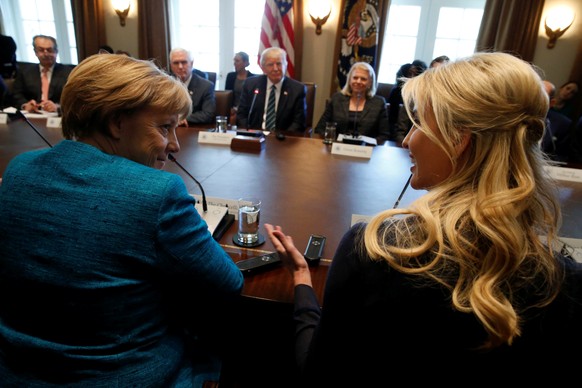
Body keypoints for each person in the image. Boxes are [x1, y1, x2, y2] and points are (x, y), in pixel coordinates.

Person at [265, 52, 582, 386]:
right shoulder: (569, 284)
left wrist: (302, 280)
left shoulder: (373, 252)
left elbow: (317, 374)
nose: (406, 139)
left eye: (418, 125)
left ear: (458, 140)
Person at [0, 54, 244, 386]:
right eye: (163, 127)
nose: (174, 145)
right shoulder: (158, 194)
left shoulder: (17, 170)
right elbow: (227, 282)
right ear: (116, 122)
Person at [314, 62, 389, 144]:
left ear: (370, 83)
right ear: (349, 80)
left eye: (363, 79)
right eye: (355, 77)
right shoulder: (337, 99)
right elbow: (320, 128)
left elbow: (384, 135)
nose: (358, 81)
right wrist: (333, 142)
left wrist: (368, 145)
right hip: (337, 148)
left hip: (366, 151)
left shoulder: (379, 103)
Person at [236, 47, 306, 133]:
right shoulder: (250, 84)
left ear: (286, 65)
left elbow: (298, 123)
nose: (275, 68)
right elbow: (241, 116)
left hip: (283, 139)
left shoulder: (297, 89)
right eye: (270, 65)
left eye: (279, 64)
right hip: (255, 137)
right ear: (263, 68)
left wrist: (281, 138)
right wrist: (249, 132)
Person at [12, 35, 73, 113]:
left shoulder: (69, 72)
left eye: (49, 50)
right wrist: (25, 105)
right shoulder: (25, 72)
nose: (46, 54)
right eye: (41, 50)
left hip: (56, 115)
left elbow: (73, 97)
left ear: (56, 51)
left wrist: (58, 106)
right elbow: (17, 94)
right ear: (35, 52)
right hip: (31, 115)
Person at [169, 48, 216, 125]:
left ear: (191, 63)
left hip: (192, 129)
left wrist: (183, 119)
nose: (180, 67)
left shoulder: (206, 86)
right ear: (171, 66)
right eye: (176, 63)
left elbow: (207, 114)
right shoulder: (165, 85)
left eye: (184, 62)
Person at [541, 80, 572, 162]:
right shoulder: (512, 117)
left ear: (551, 103)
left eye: (541, 96)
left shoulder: (563, 124)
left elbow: (562, 156)